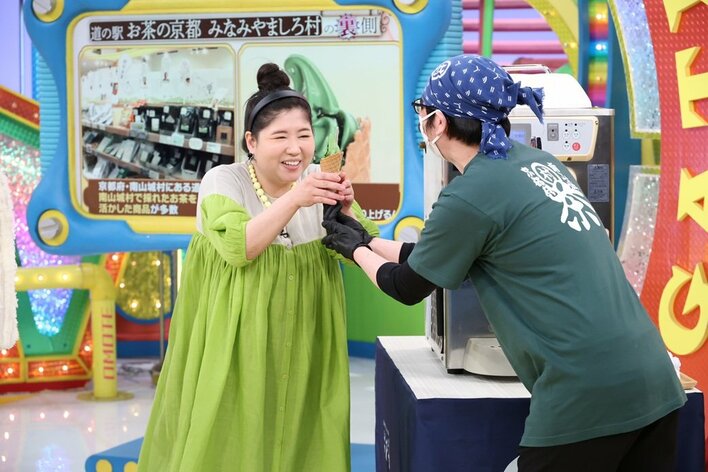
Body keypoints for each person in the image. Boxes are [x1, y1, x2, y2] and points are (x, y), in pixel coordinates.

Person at [322, 54, 686, 472]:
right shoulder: (541, 164)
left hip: (585, 393)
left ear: (439, 122)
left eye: (423, 111)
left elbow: (407, 285)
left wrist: (352, 250)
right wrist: (366, 239)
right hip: (653, 379)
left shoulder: (470, 193)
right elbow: (431, 259)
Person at [138, 63, 378, 472]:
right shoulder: (223, 181)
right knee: (230, 434)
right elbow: (239, 246)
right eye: (280, 137)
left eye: (303, 135)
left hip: (307, 341)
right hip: (235, 341)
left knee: (305, 436)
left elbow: (360, 248)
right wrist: (297, 199)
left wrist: (347, 210)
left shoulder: (317, 182)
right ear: (251, 141)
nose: (295, 148)